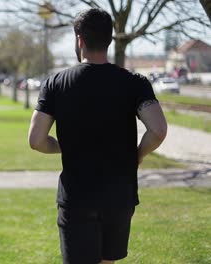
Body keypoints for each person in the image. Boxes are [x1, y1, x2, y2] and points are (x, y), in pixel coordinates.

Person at [28, 8, 167, 264]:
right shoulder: (134, 82)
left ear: (79, 39)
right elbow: (158, 130)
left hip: (77, 196)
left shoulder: (56, 83)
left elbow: (36, 140)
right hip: (119, 194)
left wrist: (65, 147)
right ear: (110, 39)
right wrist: (137, 155)